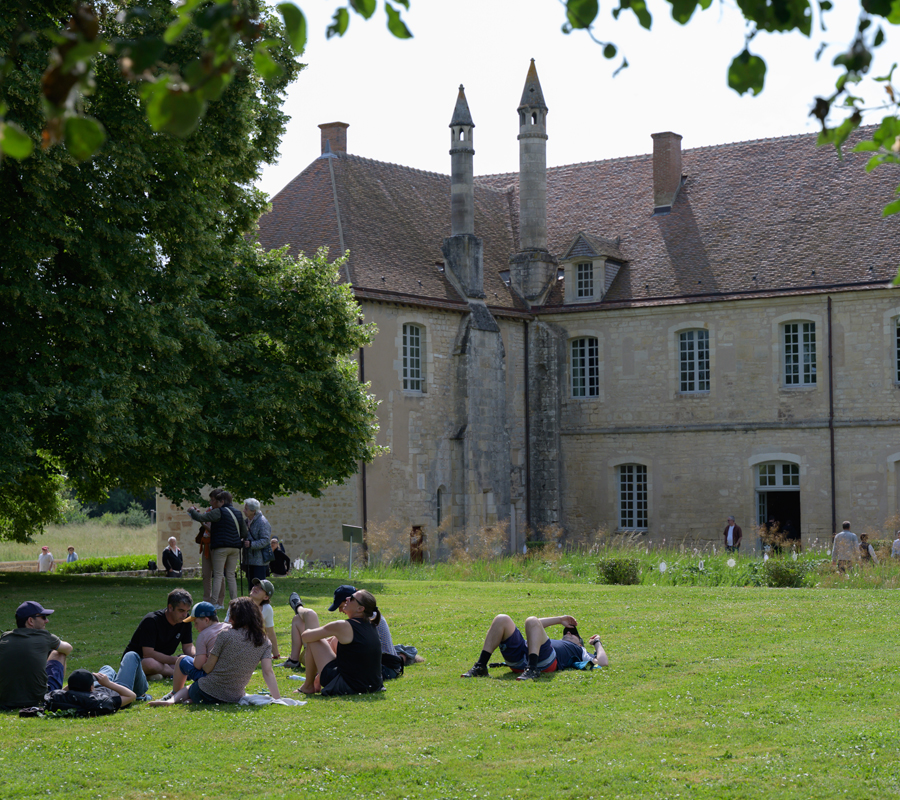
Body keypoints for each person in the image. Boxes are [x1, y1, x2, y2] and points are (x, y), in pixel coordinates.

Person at [149, 597, 280, 706]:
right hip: (234, 696)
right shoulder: (265, 641)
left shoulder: (226, 635)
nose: (229, 620)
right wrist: (277, 698)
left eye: (231, 616)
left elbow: (207, 668)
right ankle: (190, 700)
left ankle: (173, 699)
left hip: (206, 691)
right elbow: (268, 672)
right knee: (201, 688)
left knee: (191, 686)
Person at [102, 588, 195, 698]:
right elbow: (148, 653)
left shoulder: (185, 622)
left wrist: (195, 658)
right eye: (181, 611)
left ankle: (160, 674)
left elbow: (188, 646)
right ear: (170, 607)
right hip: (141, 661)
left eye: (187, 611)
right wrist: (177, 661)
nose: (185, 615)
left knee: (182, 658)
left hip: (162, 661)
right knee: (151, 663)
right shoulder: (152, 620)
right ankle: (174, 673)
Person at [279, 585, 393, 673]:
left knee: (309, 616)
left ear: (359, 607)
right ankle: (294, 659)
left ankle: (299, 607)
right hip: (374, 667)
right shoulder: (368, 617)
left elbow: (308, 636)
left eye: (342, 605)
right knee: (298, 620)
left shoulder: (365, 620)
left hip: (379, 667)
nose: (340, 610)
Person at [461, 613, 608, 681]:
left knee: (532, 620)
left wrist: (597, 643)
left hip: (545, 661)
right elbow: (534, 625)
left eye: (573, 633)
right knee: (502, 619)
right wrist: (559, 620)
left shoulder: (579, 650)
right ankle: (480, 666)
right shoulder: (545, 640)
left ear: (579, 642)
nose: (569, 631)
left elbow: (602, 662)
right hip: (521, 657)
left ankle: (532, 670)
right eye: (566, 631)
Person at [293, 589, 384, 696]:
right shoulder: (371, 625)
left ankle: (308, 686)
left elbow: (305, 637)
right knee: (334, 640)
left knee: (314, 638)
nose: (347, 599)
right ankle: (315, 682)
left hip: (348, 685)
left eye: (352, 598)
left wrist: (309, 630)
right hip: (373, 685)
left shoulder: (342, 626)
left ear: (360, 609)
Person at [0, 601, 73, 709]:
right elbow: (68, 648)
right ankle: (56, 692)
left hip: (6, 701)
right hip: (38, 700)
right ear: (30, 621)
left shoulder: (5, 638)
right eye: (43, 617)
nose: (47, 621)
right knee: (58, 653)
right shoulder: (45, 637)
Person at [188, 490, 247, 608]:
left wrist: (192, 511)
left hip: (221, 547)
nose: (212, 503)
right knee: (230, 575)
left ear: (222, 501)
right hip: (235, 548)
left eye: (216, 500)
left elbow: (201, 517)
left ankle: (213, 603)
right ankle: (235, 603)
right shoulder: (238, 513)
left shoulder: (218, 512)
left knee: (218, 575)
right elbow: (244, 532)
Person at [163, 602, 230, 702]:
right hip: (230, 677)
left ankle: (175, 692)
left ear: (206, 620)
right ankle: (188, 697)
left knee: (182, 659)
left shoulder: (204, 635)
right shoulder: (228, 627)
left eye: (196, 622)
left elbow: (198, 665)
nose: (195, 626)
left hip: (211, 678)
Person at [42, 668, 136, 716]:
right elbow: (131, 695)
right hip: (120, 688)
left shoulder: (66, 698)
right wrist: (108, 683)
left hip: (100, 686)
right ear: (91, 687)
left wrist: (74, 682)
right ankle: (145, 697)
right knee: (131, 656)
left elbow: (60, 693)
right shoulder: (102, 701)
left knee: (106, 669)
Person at [225, 579, 280, 660]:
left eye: (261, 588)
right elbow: (226, 627)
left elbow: (270, 632)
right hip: (234, 641)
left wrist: (276, 655)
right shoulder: (236, 604)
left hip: (252, 642)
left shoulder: (267, 608)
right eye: (256, 585)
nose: (255, 588)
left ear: (266, 597)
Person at [196, 489, 225, 607]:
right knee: (206, 574)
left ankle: (219, 601)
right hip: (207, 544)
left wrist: (202, 521)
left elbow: (214, 531)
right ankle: (206, 600)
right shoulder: (209, 510)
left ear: (219, 501)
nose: (211, 502)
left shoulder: (221, 513)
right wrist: (198, 514)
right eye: (211, 499)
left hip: (217, 546)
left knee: (219, 575)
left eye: (213, 500)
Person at [242, 498, 273, 583]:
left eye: (246, 509)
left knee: (259, 586)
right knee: (251, 587)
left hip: (259, 562)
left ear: (253, 511)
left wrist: (251, 544)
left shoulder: (262, 522)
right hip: (249, 560)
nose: (244, 511)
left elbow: (266, 540)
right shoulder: (246, 521)